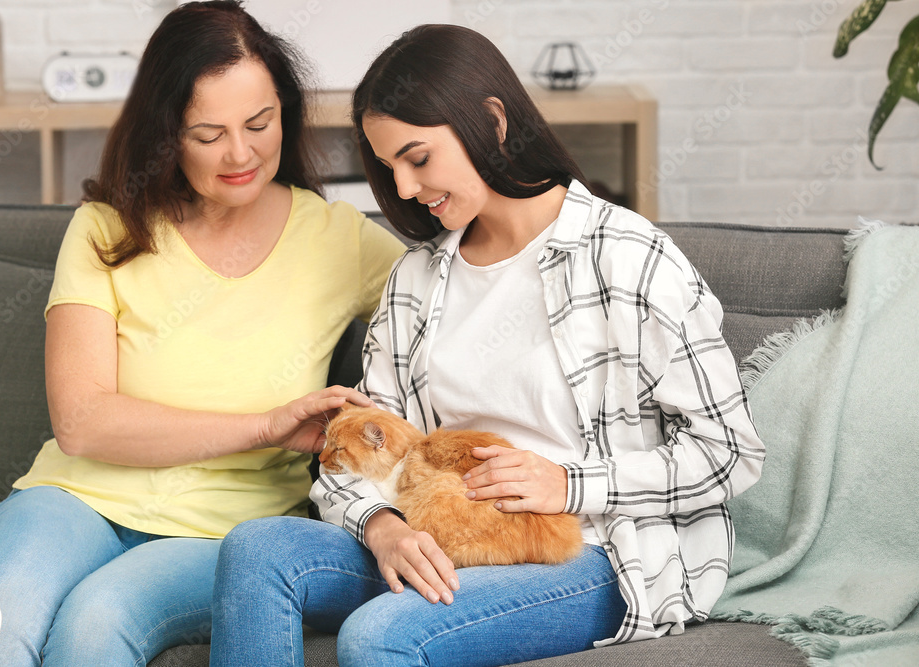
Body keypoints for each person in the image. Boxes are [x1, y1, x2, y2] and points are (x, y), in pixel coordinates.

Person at [211, 24, 766, 667]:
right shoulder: (414, 282)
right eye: (391, 168)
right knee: (256, 553)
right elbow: (367, 447)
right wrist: (382, 527)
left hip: (584, 550)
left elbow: (729, 455)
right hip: (437, 532)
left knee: (381, 635)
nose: (407, 189)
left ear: (493, 121)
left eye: (418, 159)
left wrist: (569, 483)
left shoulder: (628, 259)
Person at [0, 2, 403, 665]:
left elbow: (458, 308)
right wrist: (262, 425)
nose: (241, 152)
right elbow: (82, 422)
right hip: (72, 499)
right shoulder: (105, 228)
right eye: (208, 133)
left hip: (224, 532)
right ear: (167, 133)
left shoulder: (339, 241)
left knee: (95, 621)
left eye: (260, 122)